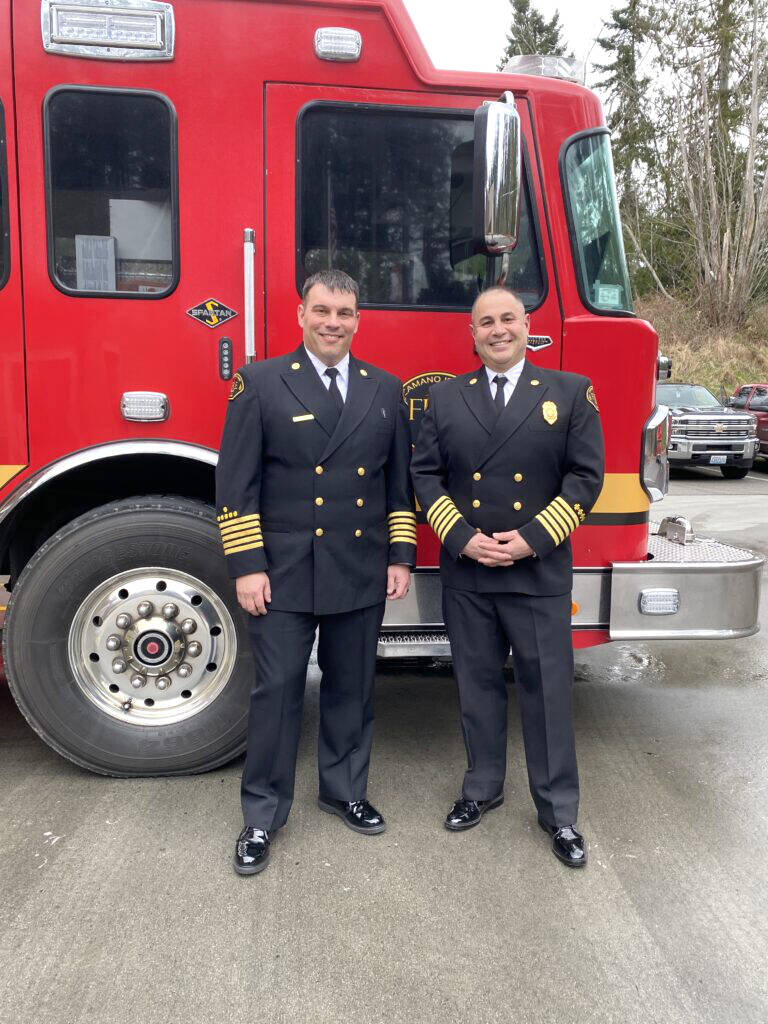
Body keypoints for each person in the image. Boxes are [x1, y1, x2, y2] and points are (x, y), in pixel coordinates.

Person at [216, 269, 416, 876]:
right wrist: (247, 566)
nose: (333, 322)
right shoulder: (260, 383)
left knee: (351, 686)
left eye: (345, 312)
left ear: (359, 319)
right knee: (277, 692)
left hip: (358, 567)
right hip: (281, 571)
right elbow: (235, 484)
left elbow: (397, 483)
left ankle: (344, 790)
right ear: (300, 314)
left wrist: (399, 554)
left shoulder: (386, 389)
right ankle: (261, 815)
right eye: (322, 310)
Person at [410, 286, 604, 867]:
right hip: (469, 570)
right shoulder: (445, 399)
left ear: (528, 326)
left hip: (537, 569)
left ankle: (558, 812)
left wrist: (532, 539)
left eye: (508, 319)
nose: (498, 330)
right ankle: (481, 789)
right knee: (477, 687)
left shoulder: (569, 392)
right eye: (486, 322)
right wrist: (463, 537)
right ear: (472, 335)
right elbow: (424, 477)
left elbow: (585, 479)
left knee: (547, 694)